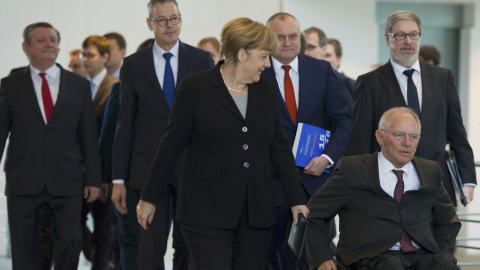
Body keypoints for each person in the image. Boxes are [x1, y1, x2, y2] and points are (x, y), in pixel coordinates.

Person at [137, 17, 309, 270]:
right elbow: (170, 146)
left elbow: (279, 149)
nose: (266, 64)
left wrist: (297, 199)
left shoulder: (267, 91)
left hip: (255, 212)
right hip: (206, 210)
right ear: (241, 54)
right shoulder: (195, 88)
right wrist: (149, 197)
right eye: (263, 56)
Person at [111, 0, 214, 269]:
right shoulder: (133, 64)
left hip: (191, 168)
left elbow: (211, 120)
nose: (170, 25)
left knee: (188, 246)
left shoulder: (201, 59)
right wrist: (118, 179)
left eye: (175, 18)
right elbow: (125, 124)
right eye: (162, 20)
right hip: (147, 169)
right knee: (149, 248)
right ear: (150, 24)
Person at [346, 10, 476, 205]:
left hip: (436, 185)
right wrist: (359, 185)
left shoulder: (442, 78)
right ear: (387, 39)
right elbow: (361, 140)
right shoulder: (369, 83)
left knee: (442, 235)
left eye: (413, 34)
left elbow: (457, 131)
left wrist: (467, 179)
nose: (408, 41)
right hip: (388, 187)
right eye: (400, 35)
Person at [306, 107, 461, 270]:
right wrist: (322, 258)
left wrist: (443, 253)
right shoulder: (352, 169)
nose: (407, 143)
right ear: (380, 137)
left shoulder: (430, 171)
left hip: (421, 255)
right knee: (390, 266)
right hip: (370, 258)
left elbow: (448, 222)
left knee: (445, 264)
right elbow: (315, 214)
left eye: (413, 136)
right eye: (399, 135)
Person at [0, 22, 101, 269]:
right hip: (22, 178)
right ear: (26, 47)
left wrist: (94, 180)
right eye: (42, 40)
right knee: (25, 246)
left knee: (70, 240)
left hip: (67, 179)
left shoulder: (78, 85)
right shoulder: (9, 85)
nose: (49, 44)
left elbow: (88, 135)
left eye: (53, 40)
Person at [262, 13, 353, 270]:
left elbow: (344, 121)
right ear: (269, 38)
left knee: (314, 258)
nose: (288, 42)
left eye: (293, 36)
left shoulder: (321, 70)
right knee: (273, 257)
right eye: (280, 37)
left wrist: (326, 157)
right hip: (271, 184)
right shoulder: (259, 71)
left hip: (314, 183)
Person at [99, 38, 154, 270]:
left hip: (168, 182)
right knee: (133, 243)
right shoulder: (120, 88)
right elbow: (110, 136)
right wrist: (108, 179)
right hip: (130, 181)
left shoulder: (181, 89)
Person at [81, 34, 119, 269]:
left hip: (105, 171)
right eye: (84, 54)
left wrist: (106, 176)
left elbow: (115, 137)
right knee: (73, 225)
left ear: (105, 57)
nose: (86, 59)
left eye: (91, 54)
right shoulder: (77, 86)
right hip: (79, 170)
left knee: (104, 229)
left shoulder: (116, 87)